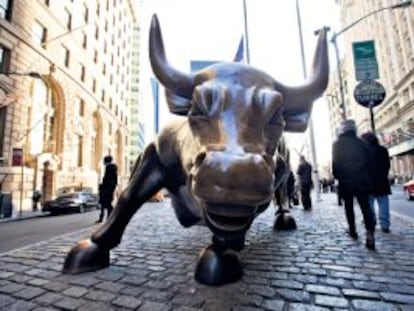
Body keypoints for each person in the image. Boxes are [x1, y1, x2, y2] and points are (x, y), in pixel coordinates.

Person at [332, 119, 376, 250]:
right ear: (354, 129)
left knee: (349, 206)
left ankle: (352, 230)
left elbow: (335, 164)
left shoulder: (337, 145)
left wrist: (338, 177)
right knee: (365, 207)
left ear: (343, 130)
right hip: (361, 179)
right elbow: (370, 163)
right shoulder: (362, 143)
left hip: (346, 181)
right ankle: (369, 233)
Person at [361, 131, 391, 233]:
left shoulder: (362, 151)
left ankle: (372, 222)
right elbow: (387, 165)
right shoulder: (383, 150)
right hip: (382, 181)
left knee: (369, 204)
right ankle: (385, 224)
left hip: (368, 182)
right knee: (383, 203)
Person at [96, 155, 118, 223]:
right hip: (108, 189)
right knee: (106, 205)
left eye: (104, 161)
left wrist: (104, 187)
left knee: (106, 205)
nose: (103, 162)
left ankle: (108, 218)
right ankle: (106, 218)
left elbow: (108, 180)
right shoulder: (111, 168)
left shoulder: (110, 168)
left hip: (107, 190)